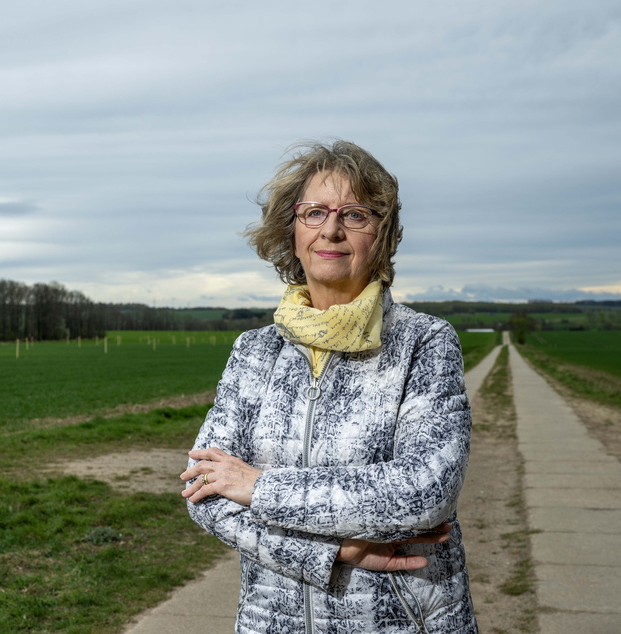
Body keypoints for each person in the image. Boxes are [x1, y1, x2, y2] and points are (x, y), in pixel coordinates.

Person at [181, 140, 477, 633]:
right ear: (292, 231)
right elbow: (204, 489)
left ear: (383, 234)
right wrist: (330, 552)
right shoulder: (255, 351)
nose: (331, 229)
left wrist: (258, 486)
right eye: (314, 212)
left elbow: (424, 491)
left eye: (355, 214)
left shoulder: (423, 342)